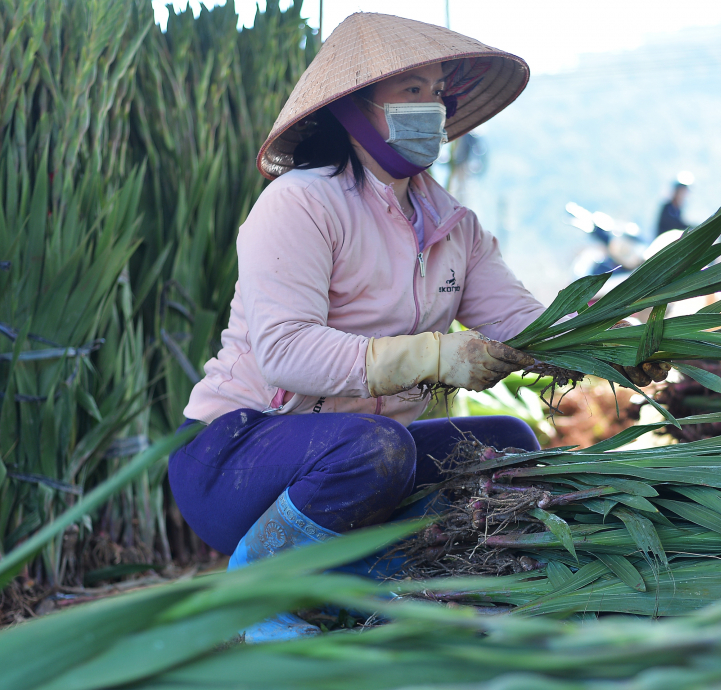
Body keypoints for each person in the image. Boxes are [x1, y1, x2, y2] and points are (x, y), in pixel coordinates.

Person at [166, 13, 666, 643]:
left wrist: (614, 347)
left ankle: (388, 587)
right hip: (236, 455)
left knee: (507, 442)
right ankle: (250, 599)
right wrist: (432, 356)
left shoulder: (454, 227)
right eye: (410, 91)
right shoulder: (301, 204)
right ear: (354, 108)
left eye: (435, 91)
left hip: (366, 462)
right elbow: (284, 351)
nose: (430, 106)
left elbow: (525, 324)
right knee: (376, 445)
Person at [656, 172, 694, 237]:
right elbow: (674, 225)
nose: (683, 195)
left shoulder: (678, 210)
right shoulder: (667, 207)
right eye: (681, 191)